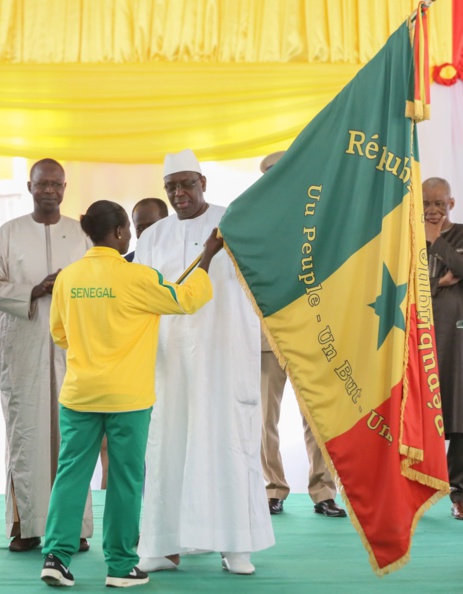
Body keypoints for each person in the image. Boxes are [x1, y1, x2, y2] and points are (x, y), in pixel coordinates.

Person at [40, 200, 219, 588]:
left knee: (71, 474)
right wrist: (207, 257)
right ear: (121, 232)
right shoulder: (139, 277)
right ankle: (120, 567)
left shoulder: (68, 278)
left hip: (80, 394)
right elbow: (187, 300)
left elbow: (59, 334)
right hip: (128, 398)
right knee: (125, 480)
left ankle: (56, 556)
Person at [135, 149, 275, 575]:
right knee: (168, 445)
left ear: (203, 183)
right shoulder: (152, 236)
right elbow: (145, 296)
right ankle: (162, 545)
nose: (179, 193)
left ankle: (236, 546)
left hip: (224, 355)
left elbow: (264, 271)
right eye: (171, 186)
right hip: (169, 361)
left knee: (226, 442)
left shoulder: (233, 221)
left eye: (187, 184)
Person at [0, 158, 94, 552]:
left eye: (56, 185)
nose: (49, 191)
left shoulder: (82, 235)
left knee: (73, 438)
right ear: (29, 186)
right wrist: (34, 289)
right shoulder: (8, 234)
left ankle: (73, 528)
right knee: (25, 435)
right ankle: (25, 526)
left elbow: (99, 283)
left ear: (65, 187)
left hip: (72, 350)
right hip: (24, 349)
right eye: (42, 184)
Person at [258, 151, 346, 518]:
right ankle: (273, 489)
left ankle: (323, 491)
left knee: (319, 417)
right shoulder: (255, 219)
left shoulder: (319, 214)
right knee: (266, 418)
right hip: (268, 333)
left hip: (314, 331)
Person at [99, 196, 169, 489]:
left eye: (153, 226)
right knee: (130, 456)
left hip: (175, 366)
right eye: (140, 228)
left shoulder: (186, 261)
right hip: (132, 373)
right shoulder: (119, 267)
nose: (146, 234)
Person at [423, 177, 463, 521]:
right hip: (421, 338)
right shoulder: (409, 239)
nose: (432, 210)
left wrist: (436, 241)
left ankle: (459, 495)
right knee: (416, 416)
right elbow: (405, 283)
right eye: (427, 204)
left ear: (451, 204)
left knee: (459, 421)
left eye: (439, 204)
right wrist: (438, 280)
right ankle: (417, 491)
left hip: (458, 340)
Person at [124, 198, 168, 263]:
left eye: (151, 226)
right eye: (140, 228)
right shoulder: (128, 263)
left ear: (167, 222)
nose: (146, 233)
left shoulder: (182, 255)